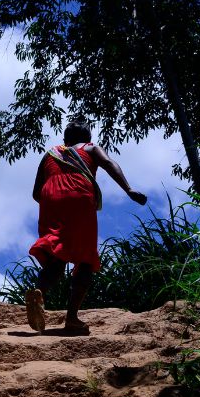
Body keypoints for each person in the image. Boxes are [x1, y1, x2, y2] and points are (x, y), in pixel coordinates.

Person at [25, 121, 147, 335]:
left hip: (50, 197)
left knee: (57, 254)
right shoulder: (90, 148)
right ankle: (72, 318)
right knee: (86, 259)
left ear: (65, 140)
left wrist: (56, 199)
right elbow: (108, 162)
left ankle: (39, 291)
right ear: (87, 138)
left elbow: (36, 192)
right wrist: (128, 189)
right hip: (79, 194)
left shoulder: (50, 154)